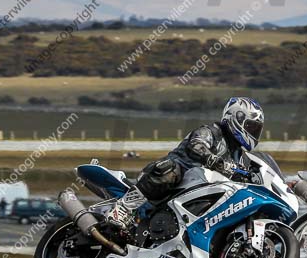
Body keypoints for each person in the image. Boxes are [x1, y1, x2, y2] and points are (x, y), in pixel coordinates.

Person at [107, 97, 265, 229]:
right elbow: (196, 146)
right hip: (173, 180)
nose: (253, 132)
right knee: (170, 170)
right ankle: (123, 208)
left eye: (256, 128)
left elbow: (250, 173)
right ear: (235, 118)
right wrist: (214, 160)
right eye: (250, 126)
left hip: (203, 193)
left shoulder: (240, 155)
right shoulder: (211, 132)